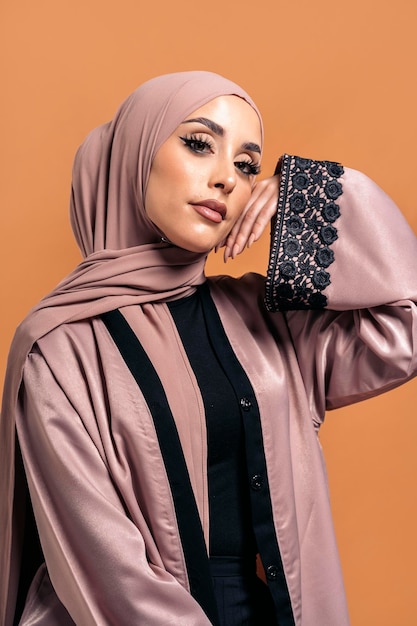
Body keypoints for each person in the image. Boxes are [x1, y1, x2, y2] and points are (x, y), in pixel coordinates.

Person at [1, 71, 416, 626]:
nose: (226, 179)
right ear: (136, 155)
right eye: (199, 145)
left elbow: (403, 326)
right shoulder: (57, 348)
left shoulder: (264, 320)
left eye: (247, 166)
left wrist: (308, 195)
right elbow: (105, 567)